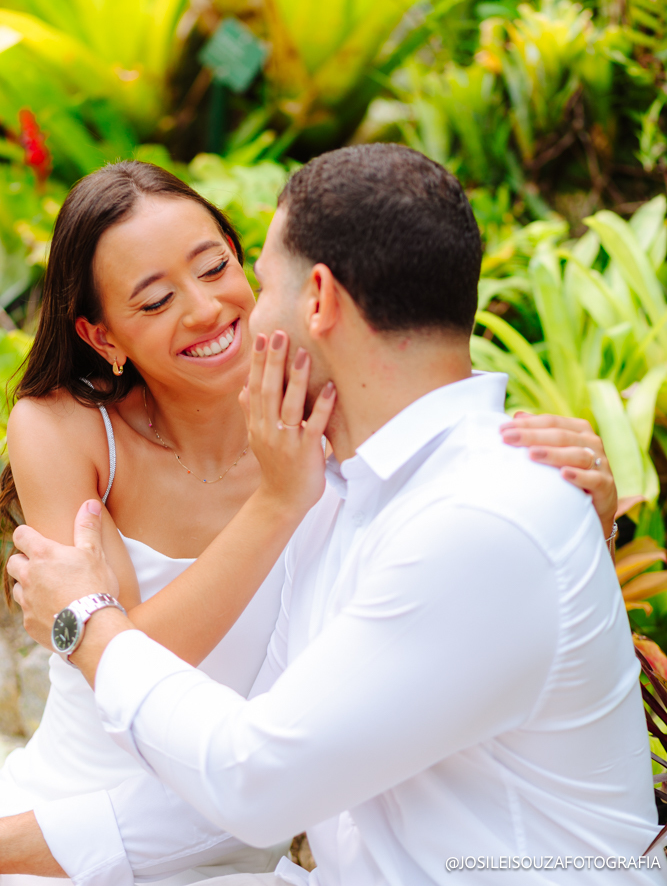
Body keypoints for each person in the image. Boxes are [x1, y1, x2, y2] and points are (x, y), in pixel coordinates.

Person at [5, 144, 656, 886]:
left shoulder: (476, 514)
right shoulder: (344, 481)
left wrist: (83, 619)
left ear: (316, 300)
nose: (223, 311)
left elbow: (254, 779)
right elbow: (261, 765)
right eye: (155, 300)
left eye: (242, 276)